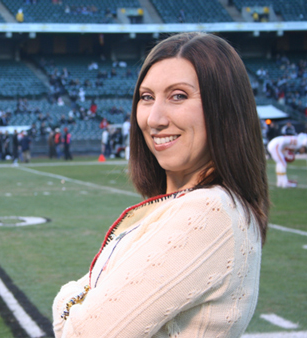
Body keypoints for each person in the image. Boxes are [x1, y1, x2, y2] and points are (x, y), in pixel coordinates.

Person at [53, 32, 269, 337]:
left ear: (224, 108)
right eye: (146, 97)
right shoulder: (200, 204)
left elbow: (83, 333)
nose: (154, 118)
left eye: (178, 95)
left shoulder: (208, 212)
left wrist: (69, 298)